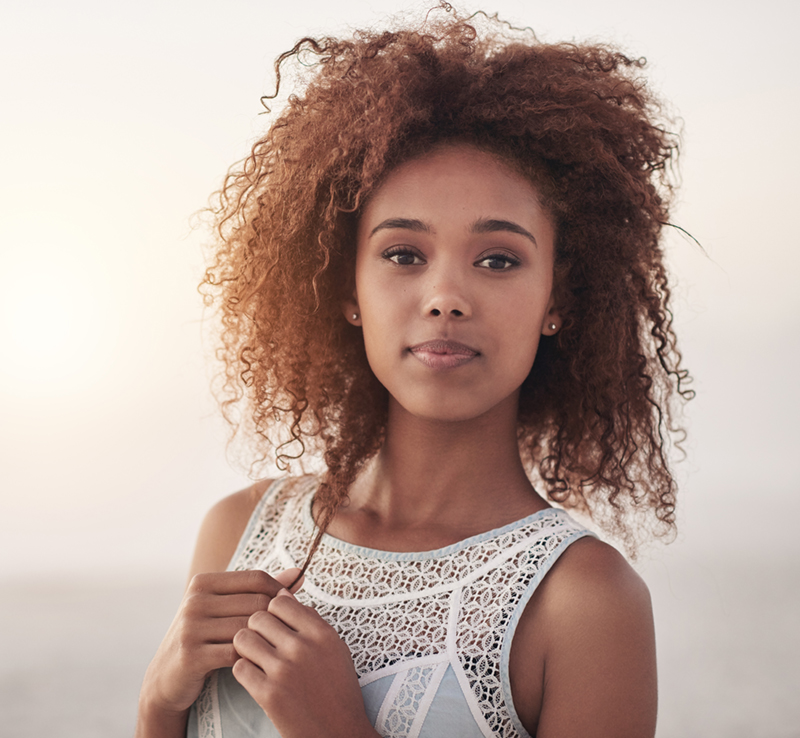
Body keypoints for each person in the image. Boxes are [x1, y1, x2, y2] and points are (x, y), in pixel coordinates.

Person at [136, 6, 692, 737]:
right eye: (404, 254)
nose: (446, 299)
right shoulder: (238, 532)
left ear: (559, 299)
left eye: (498, 259)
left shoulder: (584, 602)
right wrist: (157, 703)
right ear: (346, 289)